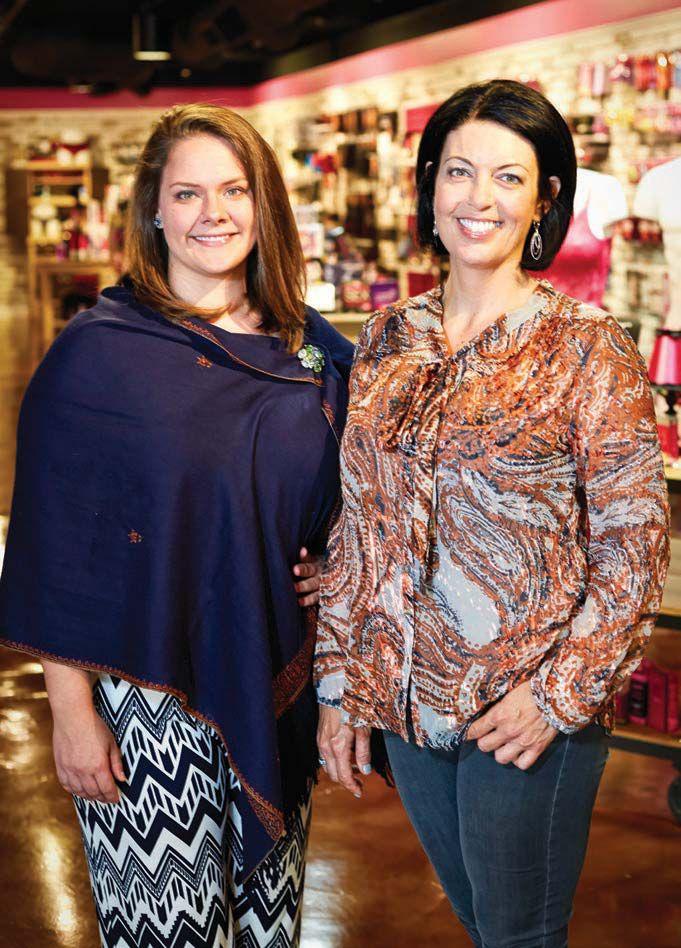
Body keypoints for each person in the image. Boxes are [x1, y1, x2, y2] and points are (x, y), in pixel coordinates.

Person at [315, 79, 669, 948]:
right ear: (429, 186)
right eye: (459, 172)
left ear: (544, 200)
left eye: (508, 177)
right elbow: (361, 524)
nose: (479, 198)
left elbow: (634, 549)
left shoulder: (586, 348)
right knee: (482, 925)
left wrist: (557, 696)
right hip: (409, 701)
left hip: (524, 709)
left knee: (517, 936)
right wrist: (341, 684)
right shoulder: (387, 340)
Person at [0, 103, 354, 948]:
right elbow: (55, 547)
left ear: (265, 203)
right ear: (154, 211)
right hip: (144, 696)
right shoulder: (99, 352)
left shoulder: (310, 347)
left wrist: (337, 562)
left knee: (267, 931)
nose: (213, 213)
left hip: (269, 679)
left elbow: (354, 493)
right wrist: (72, 715)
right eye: (187, 194)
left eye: (234, 190)